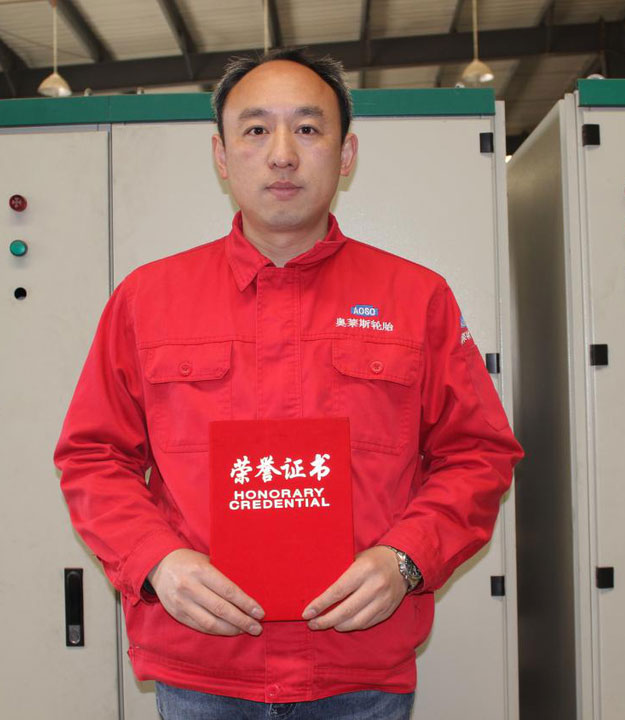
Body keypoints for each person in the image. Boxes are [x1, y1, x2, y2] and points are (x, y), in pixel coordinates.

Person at [54, 47, 523, 720]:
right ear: (221, 156)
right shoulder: (146, 300)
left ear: (346, 153)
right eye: (255, 130)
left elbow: (478, 453)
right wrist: (157, 561)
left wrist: (407, 559)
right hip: (203, 669)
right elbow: (93, 456)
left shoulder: (417, 298)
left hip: (358, 672)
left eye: (307, 128)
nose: (281, 154)